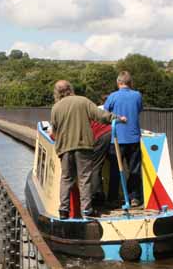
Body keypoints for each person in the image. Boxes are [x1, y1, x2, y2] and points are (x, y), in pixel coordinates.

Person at [50, 80, 125, 219]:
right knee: (84, 178)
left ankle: (63, 211)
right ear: (70, 89)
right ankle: (87, 210)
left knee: (66, 179)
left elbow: (54, 130)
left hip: (65, 148)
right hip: (83, 146)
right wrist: (118, 118)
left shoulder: (56, 108)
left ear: (57, 92)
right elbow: (100, 115)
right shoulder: (83, 101)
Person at [104, 71, 143, 207]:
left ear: (118, 82)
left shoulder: (112, 96)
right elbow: (138, 110)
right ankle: (134, 197)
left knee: (115, 170)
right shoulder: (137, 95)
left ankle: (113, 198)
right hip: (133, 138)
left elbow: (105, 113)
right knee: (134, 169)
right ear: (130, 82)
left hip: (116, 139)